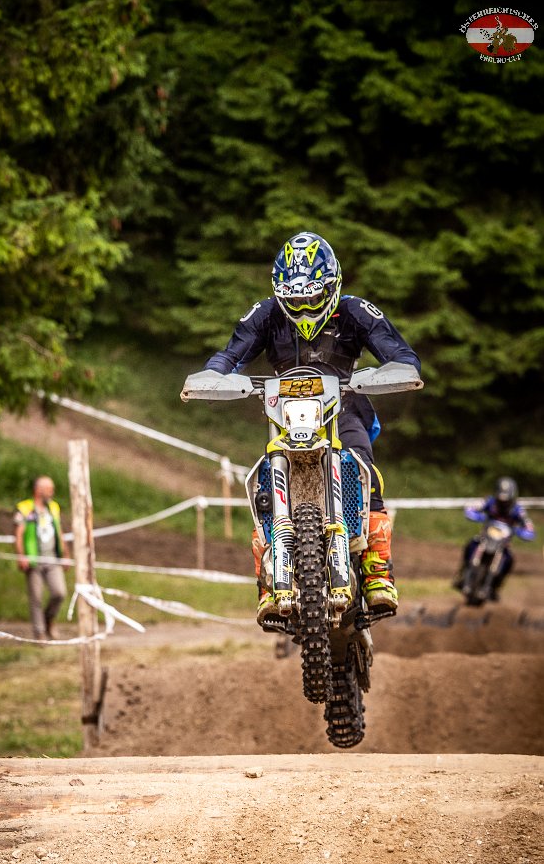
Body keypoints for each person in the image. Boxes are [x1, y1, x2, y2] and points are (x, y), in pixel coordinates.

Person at [194, 231, 421, 626]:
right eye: (294, 299)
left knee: (363, 465)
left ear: (331, 287)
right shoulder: (266, 314)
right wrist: (213, 376)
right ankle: (268, 581)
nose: (302, 306)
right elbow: (229, 356)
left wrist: (393, 370)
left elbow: (401, 354)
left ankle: (376, 568)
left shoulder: (355, 312)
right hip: (287, 414)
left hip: (345, 405)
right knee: (266, 485)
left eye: (312, 297)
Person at [456, 476, 535, 598]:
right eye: (501, 499)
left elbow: (529, 528)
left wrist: (520, 531)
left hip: (503, 543)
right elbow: (471, 509)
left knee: (509, 559)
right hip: (485, 538)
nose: (503, 503)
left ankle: (495, 586)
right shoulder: (489, 501)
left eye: (506, 500)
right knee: (470, 545)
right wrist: (480, 517)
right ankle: (463, 574)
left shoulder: (518, 510)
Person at [14, 476, 70, 639]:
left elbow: (59, 531)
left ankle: (48, 620)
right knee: (36, 597)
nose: (52, 492)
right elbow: (19, 534)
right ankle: (39, 632)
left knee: (59, 593)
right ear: (39, 490)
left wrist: (65, 554)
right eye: (49, 489)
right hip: (34, 560)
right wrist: (21, 556)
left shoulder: (53, 507)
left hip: (53, 559)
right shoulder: (24, 508)